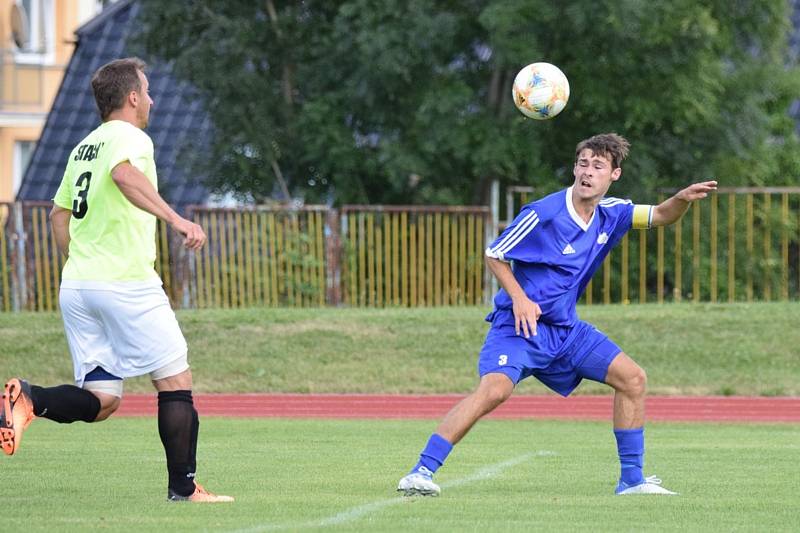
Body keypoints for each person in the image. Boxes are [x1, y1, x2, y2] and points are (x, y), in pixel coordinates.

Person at [397, 133, 717, 497]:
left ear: (614, 174)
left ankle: (631, 481)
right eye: (583, 163)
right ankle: (421, 471)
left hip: (566, 332)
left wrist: (680, 200)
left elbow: (661, 215)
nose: (587, 172)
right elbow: (494, 253)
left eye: (598, 166)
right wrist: (518, 297)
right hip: (519, 328)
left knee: (633, 379)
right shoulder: (542, 213)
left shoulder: (612, 213)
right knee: (494, 391)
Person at [0, 58, 232, 503]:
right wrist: (177, 220)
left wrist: (78, 263)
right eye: (146, 91)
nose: (151, 99)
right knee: (175, 381)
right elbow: (124, 175)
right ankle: (184, 488)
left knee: (103, 399)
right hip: (126, 283)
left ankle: (28, 398)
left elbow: (57, 215)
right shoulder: (131, 137)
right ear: (130, 97)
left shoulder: (82, 147)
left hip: (80, 287)